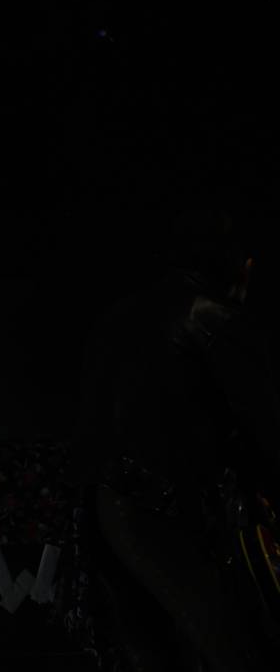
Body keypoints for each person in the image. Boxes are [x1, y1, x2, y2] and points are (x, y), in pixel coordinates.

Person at [74, 204, 280, 672]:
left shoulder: (118, 317)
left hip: (106, 511)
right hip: (163, 515)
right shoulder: (214, 319)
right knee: (235, 649)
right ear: (241, 268)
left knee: (155, 651)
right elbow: (266, 436)